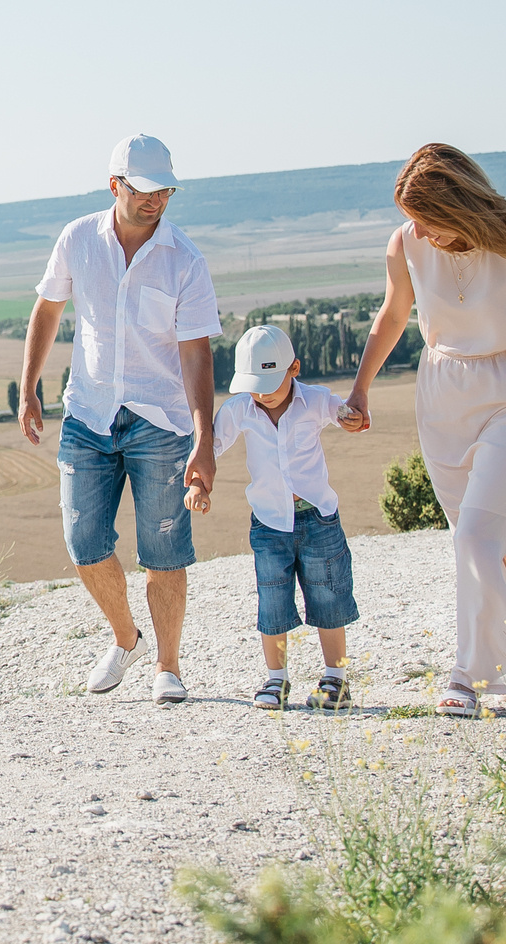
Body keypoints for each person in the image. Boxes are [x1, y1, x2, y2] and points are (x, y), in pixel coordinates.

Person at [345, 143, 506, 716]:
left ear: (458, 207)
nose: (419, 233)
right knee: (484, 545)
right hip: (442, 397)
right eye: (412, 221)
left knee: (474, 537)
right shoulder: (405, 244)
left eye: (428, 220)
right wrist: (360, 388)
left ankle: (467, 676)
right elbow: (393, 315)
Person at [20, 133, 221, 702]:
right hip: (88, 416)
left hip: (161, 422)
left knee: (164, 551)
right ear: (117, 186)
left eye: (166, 191)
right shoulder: (78, 239)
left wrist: (204, 439)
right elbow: (49, 308)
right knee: (83, 540)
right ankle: (124, 637)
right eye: (145, 190)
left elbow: (196, 352)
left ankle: (168, 666)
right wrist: (28, 386)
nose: (156, 201)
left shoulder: (186, 260)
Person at [208, 323, 368, 711]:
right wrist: (198, 483)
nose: (261, 393)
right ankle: (276, 680)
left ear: (294, 368)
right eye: (254, 385)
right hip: (268, 524)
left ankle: (336, 679)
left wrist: (354, 418)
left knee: (328, 597)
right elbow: (210, 447)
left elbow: (345, 412)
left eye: (269, 383)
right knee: (273, 600)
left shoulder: (314, 400)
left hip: (318, 519)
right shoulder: (240, 409)